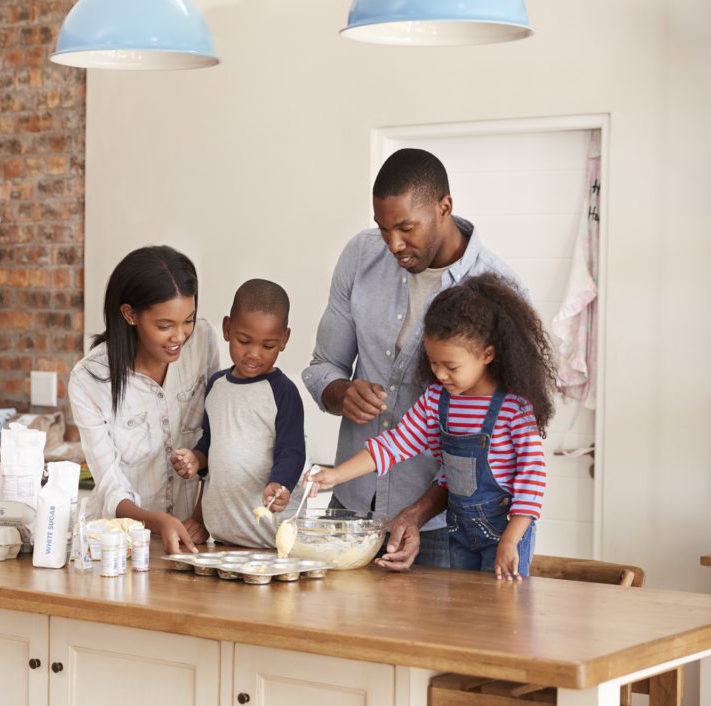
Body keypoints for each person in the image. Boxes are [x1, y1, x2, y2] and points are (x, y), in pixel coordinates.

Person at [302, 148, 526, 570]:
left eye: (406, 228)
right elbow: (322, 368)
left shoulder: (499, 291)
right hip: (351, 506)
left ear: (445, 207)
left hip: (446, 528)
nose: (394, 245)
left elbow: (498, 445)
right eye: (383, 229)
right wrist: (340, 392)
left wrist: (419, 510)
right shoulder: (359, 256)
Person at [306, 274, 555, 579]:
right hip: (460, 531)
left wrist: (511, 539)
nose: (440, 375)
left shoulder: (514, 408)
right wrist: (333, 475)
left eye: (451, 367)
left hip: (506, 534)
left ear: (487, 355)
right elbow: (392, 445)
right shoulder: (437, 399)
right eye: (434, 363)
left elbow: (532, 479)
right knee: (462, 614)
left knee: (503, 617)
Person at [68, 246, 219, 554]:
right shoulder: (90, 379)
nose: (180, 336)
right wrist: (156, 522)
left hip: (193, 541)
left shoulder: (202, 340)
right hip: (118, 546)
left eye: (187, 320)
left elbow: (216, 434)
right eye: (165, 326)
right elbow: (110, 484)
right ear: (130, 314)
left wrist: (201, 515)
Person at [171, 279, 305, 548]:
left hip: (268, 541)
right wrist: (196, 459)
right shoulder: (217, 386)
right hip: (223, 538)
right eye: (244, 341)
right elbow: (211, 442)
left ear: (284, 340)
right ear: (227, 328)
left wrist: (280, 484)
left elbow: (292, 451)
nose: (254, 354)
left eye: (268, 346)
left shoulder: (283, 392)